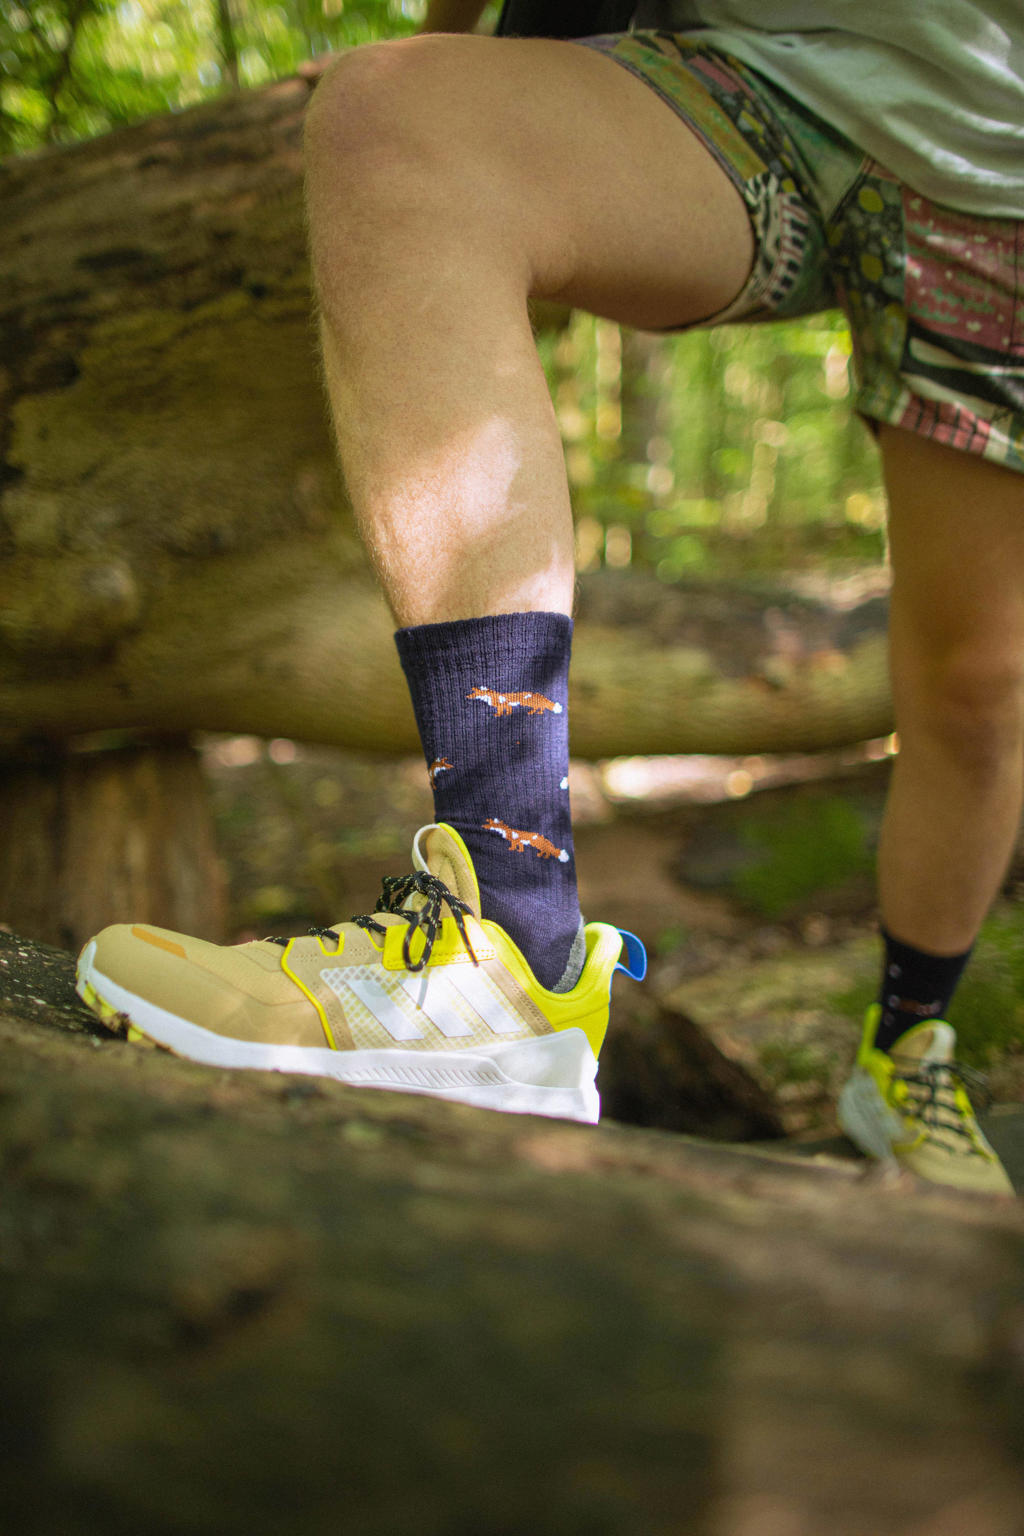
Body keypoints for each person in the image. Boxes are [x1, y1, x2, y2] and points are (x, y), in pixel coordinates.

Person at [77, 0, 1023, 1192]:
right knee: (398, 116)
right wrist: (459, 40)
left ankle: (905, 1052)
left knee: (976, 688)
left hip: (1004, 180)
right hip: (761, 87)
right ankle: (508, 954)